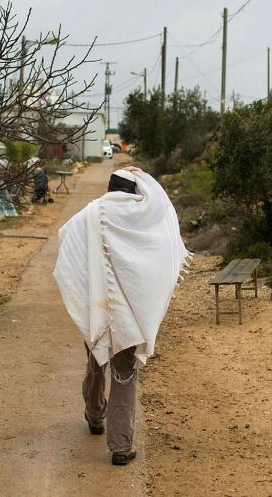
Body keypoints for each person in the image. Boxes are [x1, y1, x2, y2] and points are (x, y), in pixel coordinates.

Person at [52, 166, 190, 466]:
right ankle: (120, 447)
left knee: (95, 360)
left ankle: (95, 415)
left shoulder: (90, 214)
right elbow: (165, 248)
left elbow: (66, 241)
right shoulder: (146, 222)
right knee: (124, 376)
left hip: (95, 308)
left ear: (110, 187)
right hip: (129, 318)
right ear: (134, 190)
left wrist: (84, 286)